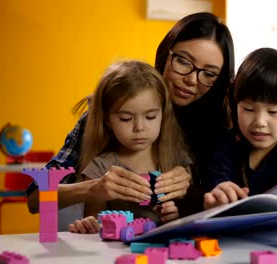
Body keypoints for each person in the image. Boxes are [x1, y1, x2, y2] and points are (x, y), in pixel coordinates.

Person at [26, 12, 235, 225]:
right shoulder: (110, 107)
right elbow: (35, 198)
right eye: (183, 61)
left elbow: (223, 202)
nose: (191, 79)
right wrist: (94, 187)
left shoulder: (218, 125)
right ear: (165, 53)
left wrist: (190, 190)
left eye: (209, 73)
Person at [68, 60, 190, 233]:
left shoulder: (175, 158)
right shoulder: (99, 167)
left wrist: (172, 216)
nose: (139, 127)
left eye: (150, 117)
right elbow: (94, 221)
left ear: (163, 115)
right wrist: (89, 225)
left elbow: (192, 213)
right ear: (107, 120)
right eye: (126, 118)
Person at [202, 48, 277, 209]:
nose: (260, 121)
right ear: (236, 104)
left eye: (273, 112)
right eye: (248, 109)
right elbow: (214, 190)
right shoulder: (225, 143)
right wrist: (216, 199)